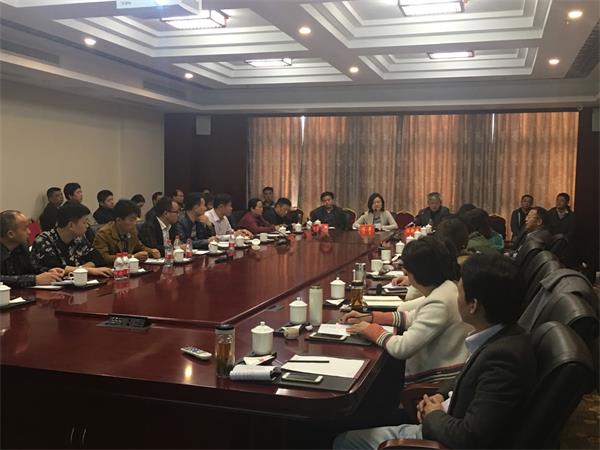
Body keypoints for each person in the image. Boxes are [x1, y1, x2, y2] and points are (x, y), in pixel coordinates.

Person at [334, 253, 536, 450]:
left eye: (460, 292)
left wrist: (433, 414)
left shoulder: (503, 360)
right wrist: (440, 395)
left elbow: (469, 438)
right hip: (444, 415)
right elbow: (466, 375)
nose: (456, 297)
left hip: (440, 436)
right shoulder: (499, 335)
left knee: (344, 441)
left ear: (473, 306)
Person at [339, 236, 469, 385]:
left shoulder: (439, 301)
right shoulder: (447, 287)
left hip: (435, 383)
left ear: (416, 273)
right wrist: (371, 317)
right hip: (444, 375)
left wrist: (373, 331)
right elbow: (413, 317)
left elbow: (402, 348)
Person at [31, 203, 112, 278]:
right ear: (71, 225)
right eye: (84, 222)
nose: (87, 226)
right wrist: (88, 270)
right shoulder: (43, 240)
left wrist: (80, 269)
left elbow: (98, 258)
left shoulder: (78, 239)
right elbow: (55, 268)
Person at [0, 210, 64, 287]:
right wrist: (34, 279)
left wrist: (48, 272)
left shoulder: (22, 246)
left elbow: (32, 268)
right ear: (11, 234)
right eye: (25, 228)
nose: (29, 232)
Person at [93, 200, 159, 265]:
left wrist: (151, 251)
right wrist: (132, 257)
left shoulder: (132, 230)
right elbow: (104, 258)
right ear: (118, 220)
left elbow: (139, 246)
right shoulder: (103, 234)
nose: (134, 223)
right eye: (131, 220)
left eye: (135, 219)